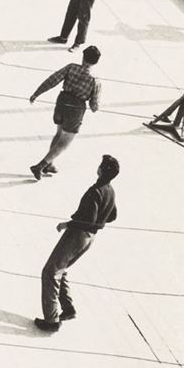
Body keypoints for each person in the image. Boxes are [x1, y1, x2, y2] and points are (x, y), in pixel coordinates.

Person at [34, 154, 119, 332]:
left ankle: (51, 320)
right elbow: (112, 216)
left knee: (50, 272)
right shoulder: (110, 191)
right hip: (90, 237)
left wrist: (67, 224)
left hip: (77, 235)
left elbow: (87, 219)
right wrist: (99, 221)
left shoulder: (95, 191)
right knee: (61, 268)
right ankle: (68, 308)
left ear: (101, 171)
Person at [29, 46, 101, 180]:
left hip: (62, 101)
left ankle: (49, 163)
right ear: (96, 62)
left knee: (59, 133)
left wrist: (36, 93)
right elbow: (93, 106)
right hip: (76, 108)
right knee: (66, 140)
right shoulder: (95, 80)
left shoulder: (71, 67)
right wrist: (95, 106)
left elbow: (53, 80)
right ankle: (40, 165)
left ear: (83, 57)